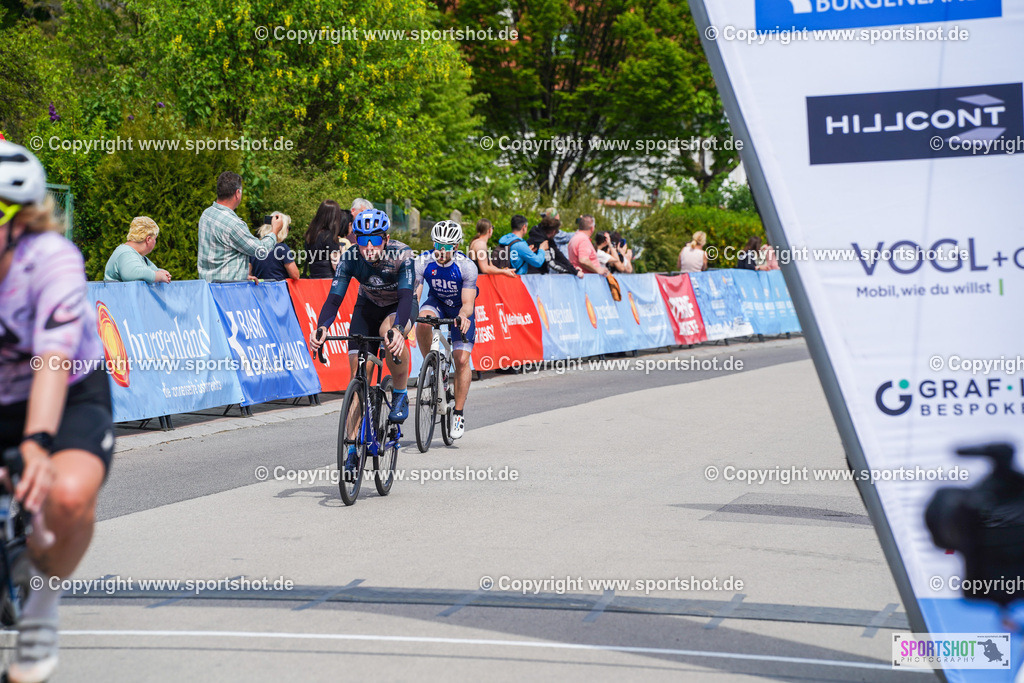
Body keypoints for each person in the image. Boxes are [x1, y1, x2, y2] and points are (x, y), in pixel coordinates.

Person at [0, 142, 113, 683]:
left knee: (67, 499)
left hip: (65, 392)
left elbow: (52, 358)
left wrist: (36, 443)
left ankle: (42, 607)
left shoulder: (51, 260)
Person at [309, 209, 416, 480]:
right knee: (358, 376)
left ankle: (401, 393)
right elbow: (334, 299)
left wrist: (400, 330)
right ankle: (352, 449)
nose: (369, 247)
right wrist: (322, 327)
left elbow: (405, 298)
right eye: (363, 239)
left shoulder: (402, 255)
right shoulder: (351, 258)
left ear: (386, 238)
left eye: (375, 240)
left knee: (388, 333)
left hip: (398, 307)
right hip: (367, 306)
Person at [414, 221, 477, 439]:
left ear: (457, 247)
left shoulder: (467, 266)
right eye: (438, 245)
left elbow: (468, 302)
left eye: (447, 246)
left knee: (460, 360)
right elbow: (416, 292)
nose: (442, 250)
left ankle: (458, 412)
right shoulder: (423, 261)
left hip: (460, 309)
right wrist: (409, 312)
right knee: (421, 320)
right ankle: (430, 367)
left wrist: (463, 316)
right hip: (438, 303)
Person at [197, 171, 280, 281]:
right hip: (227, 292)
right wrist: (275, 231)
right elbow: (261, 251)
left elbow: (217, 256)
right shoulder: (233, 224)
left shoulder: (207, 214)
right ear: (237, 193)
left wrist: (241, 275)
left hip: (208, 289)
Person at [103, 216, 171, 283]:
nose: (155, 242)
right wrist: (158, 276)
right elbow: (131, 273)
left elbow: (149, 271)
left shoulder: (139, 256)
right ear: (148, 239)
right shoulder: (126, 253)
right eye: (155, 239)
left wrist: (161, 272)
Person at [249, 212, 299, 281]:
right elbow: (295, 275)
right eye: (288, 228)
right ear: (282, 229)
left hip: (259, 288)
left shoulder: (256, 247)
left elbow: (248, 273)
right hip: (277, 289)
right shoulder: (282, 249)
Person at [303, 200, 345, 279]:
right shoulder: (329, 236)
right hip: (328, 281)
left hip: (313, 279)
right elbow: (337, 265)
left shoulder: (310, 235)